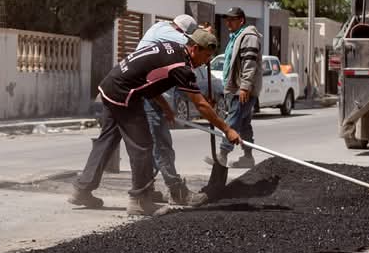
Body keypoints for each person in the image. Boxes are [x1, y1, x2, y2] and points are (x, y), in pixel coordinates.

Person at [69, 28, 241, 216]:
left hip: (111, 86)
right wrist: (227, 129)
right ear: (194, 49)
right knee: (143, 145)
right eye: (206, 55)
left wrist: (165, 106)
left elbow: (149, 80)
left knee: (107, 141)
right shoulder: (181, 67)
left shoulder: (172, 48)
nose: (207, 61)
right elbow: (200, 104)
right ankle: (139, 200)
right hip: (124, 94)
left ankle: (82, 190)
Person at [135, 14, 199, 205]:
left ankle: (146, 190)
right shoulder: (166, 31)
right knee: (161, 144)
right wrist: (205, 37)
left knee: (152, 144)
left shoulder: (161, 30)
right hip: (146, 94)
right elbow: (192, 46)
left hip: (144, 92)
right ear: (181, 31)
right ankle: (176, 191)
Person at [206, 7, 263, 169]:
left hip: (241, 90)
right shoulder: (236, 37)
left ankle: (222, 155)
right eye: (227, 20)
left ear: (241, 20)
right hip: (235, 88)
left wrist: (245, 86)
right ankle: (248, 157)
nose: (228, 23)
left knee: (232, 120)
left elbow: (249, 63)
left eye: (232, 19)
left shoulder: (249, 37)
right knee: (243, 123)